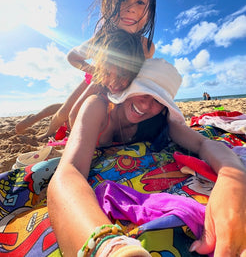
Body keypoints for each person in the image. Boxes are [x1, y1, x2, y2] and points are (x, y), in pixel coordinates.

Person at [47, 58, 246, 257]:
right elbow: (70, 170)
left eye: (159, 100)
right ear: (128, 84)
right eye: (143, 90)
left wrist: (232, 177)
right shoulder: (98, 106)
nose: (147, 103)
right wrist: (108, 247)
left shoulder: (160, 121)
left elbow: (204, 143)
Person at [16, 0, 156, 139]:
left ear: (150, 9)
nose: (130, 8)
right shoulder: (102, 39)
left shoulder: (147, 47)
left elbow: (143, 78)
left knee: (89, 112)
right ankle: (45, 131)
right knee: (65, 112)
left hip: (119, 84)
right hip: (96, 79)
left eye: (140, 2)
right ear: (110, 0)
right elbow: (72, 57)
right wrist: (93, 70)